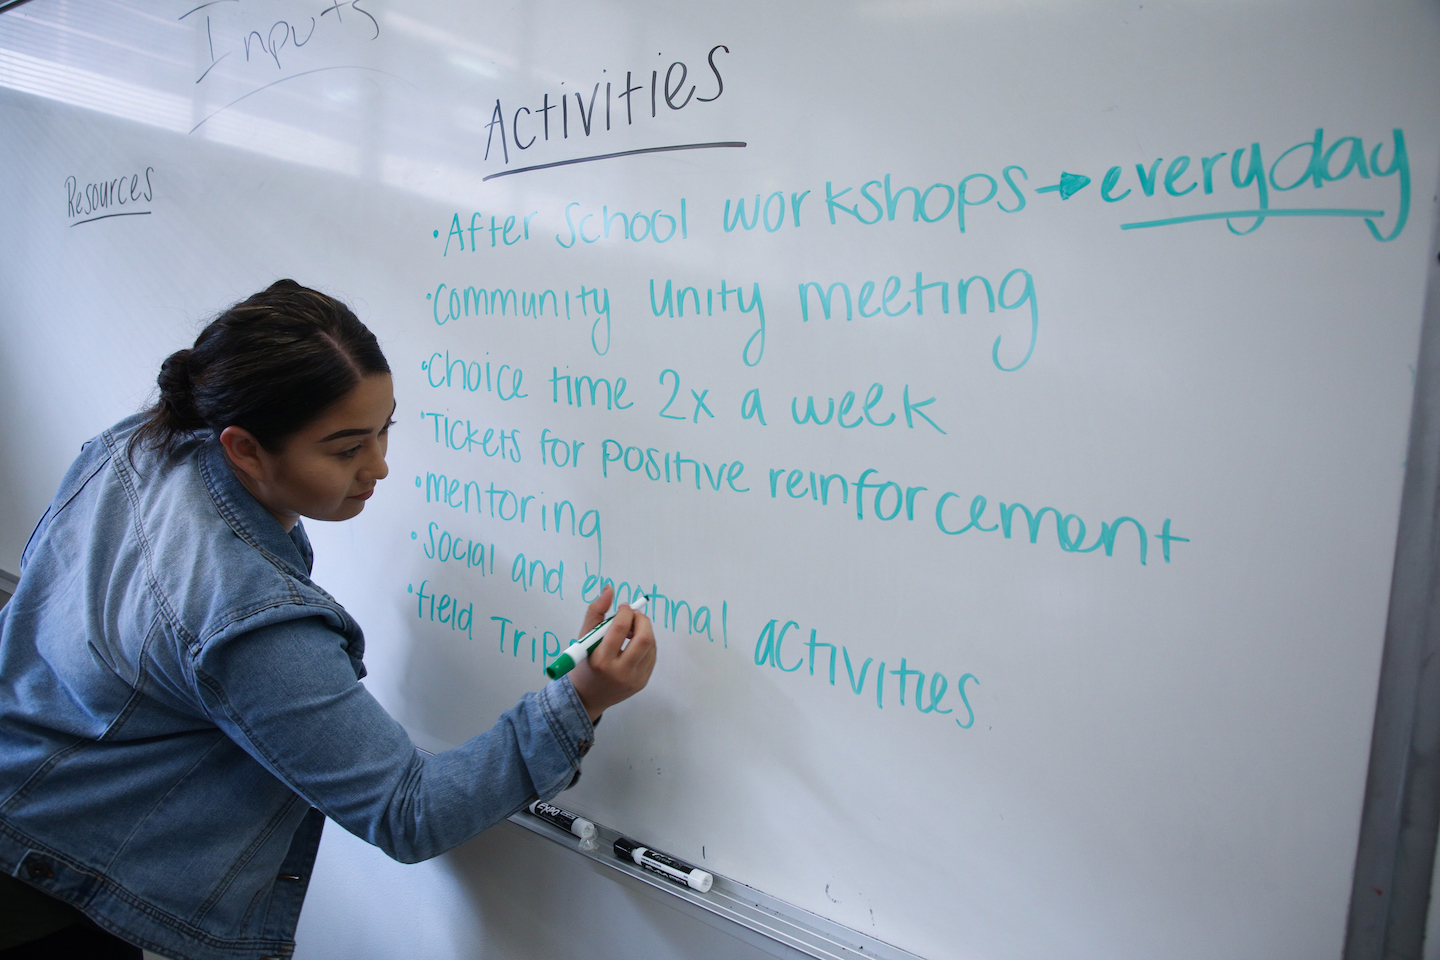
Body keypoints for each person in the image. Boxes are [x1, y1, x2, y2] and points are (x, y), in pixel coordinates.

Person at [0, 280, 657, 960]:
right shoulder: (249, 620)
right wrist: (581, 699)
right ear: (245, 447)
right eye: (345, 450)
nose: (379, 466)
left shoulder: (133, 447)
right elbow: (409, 811)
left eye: (384, 429)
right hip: (41, 898)